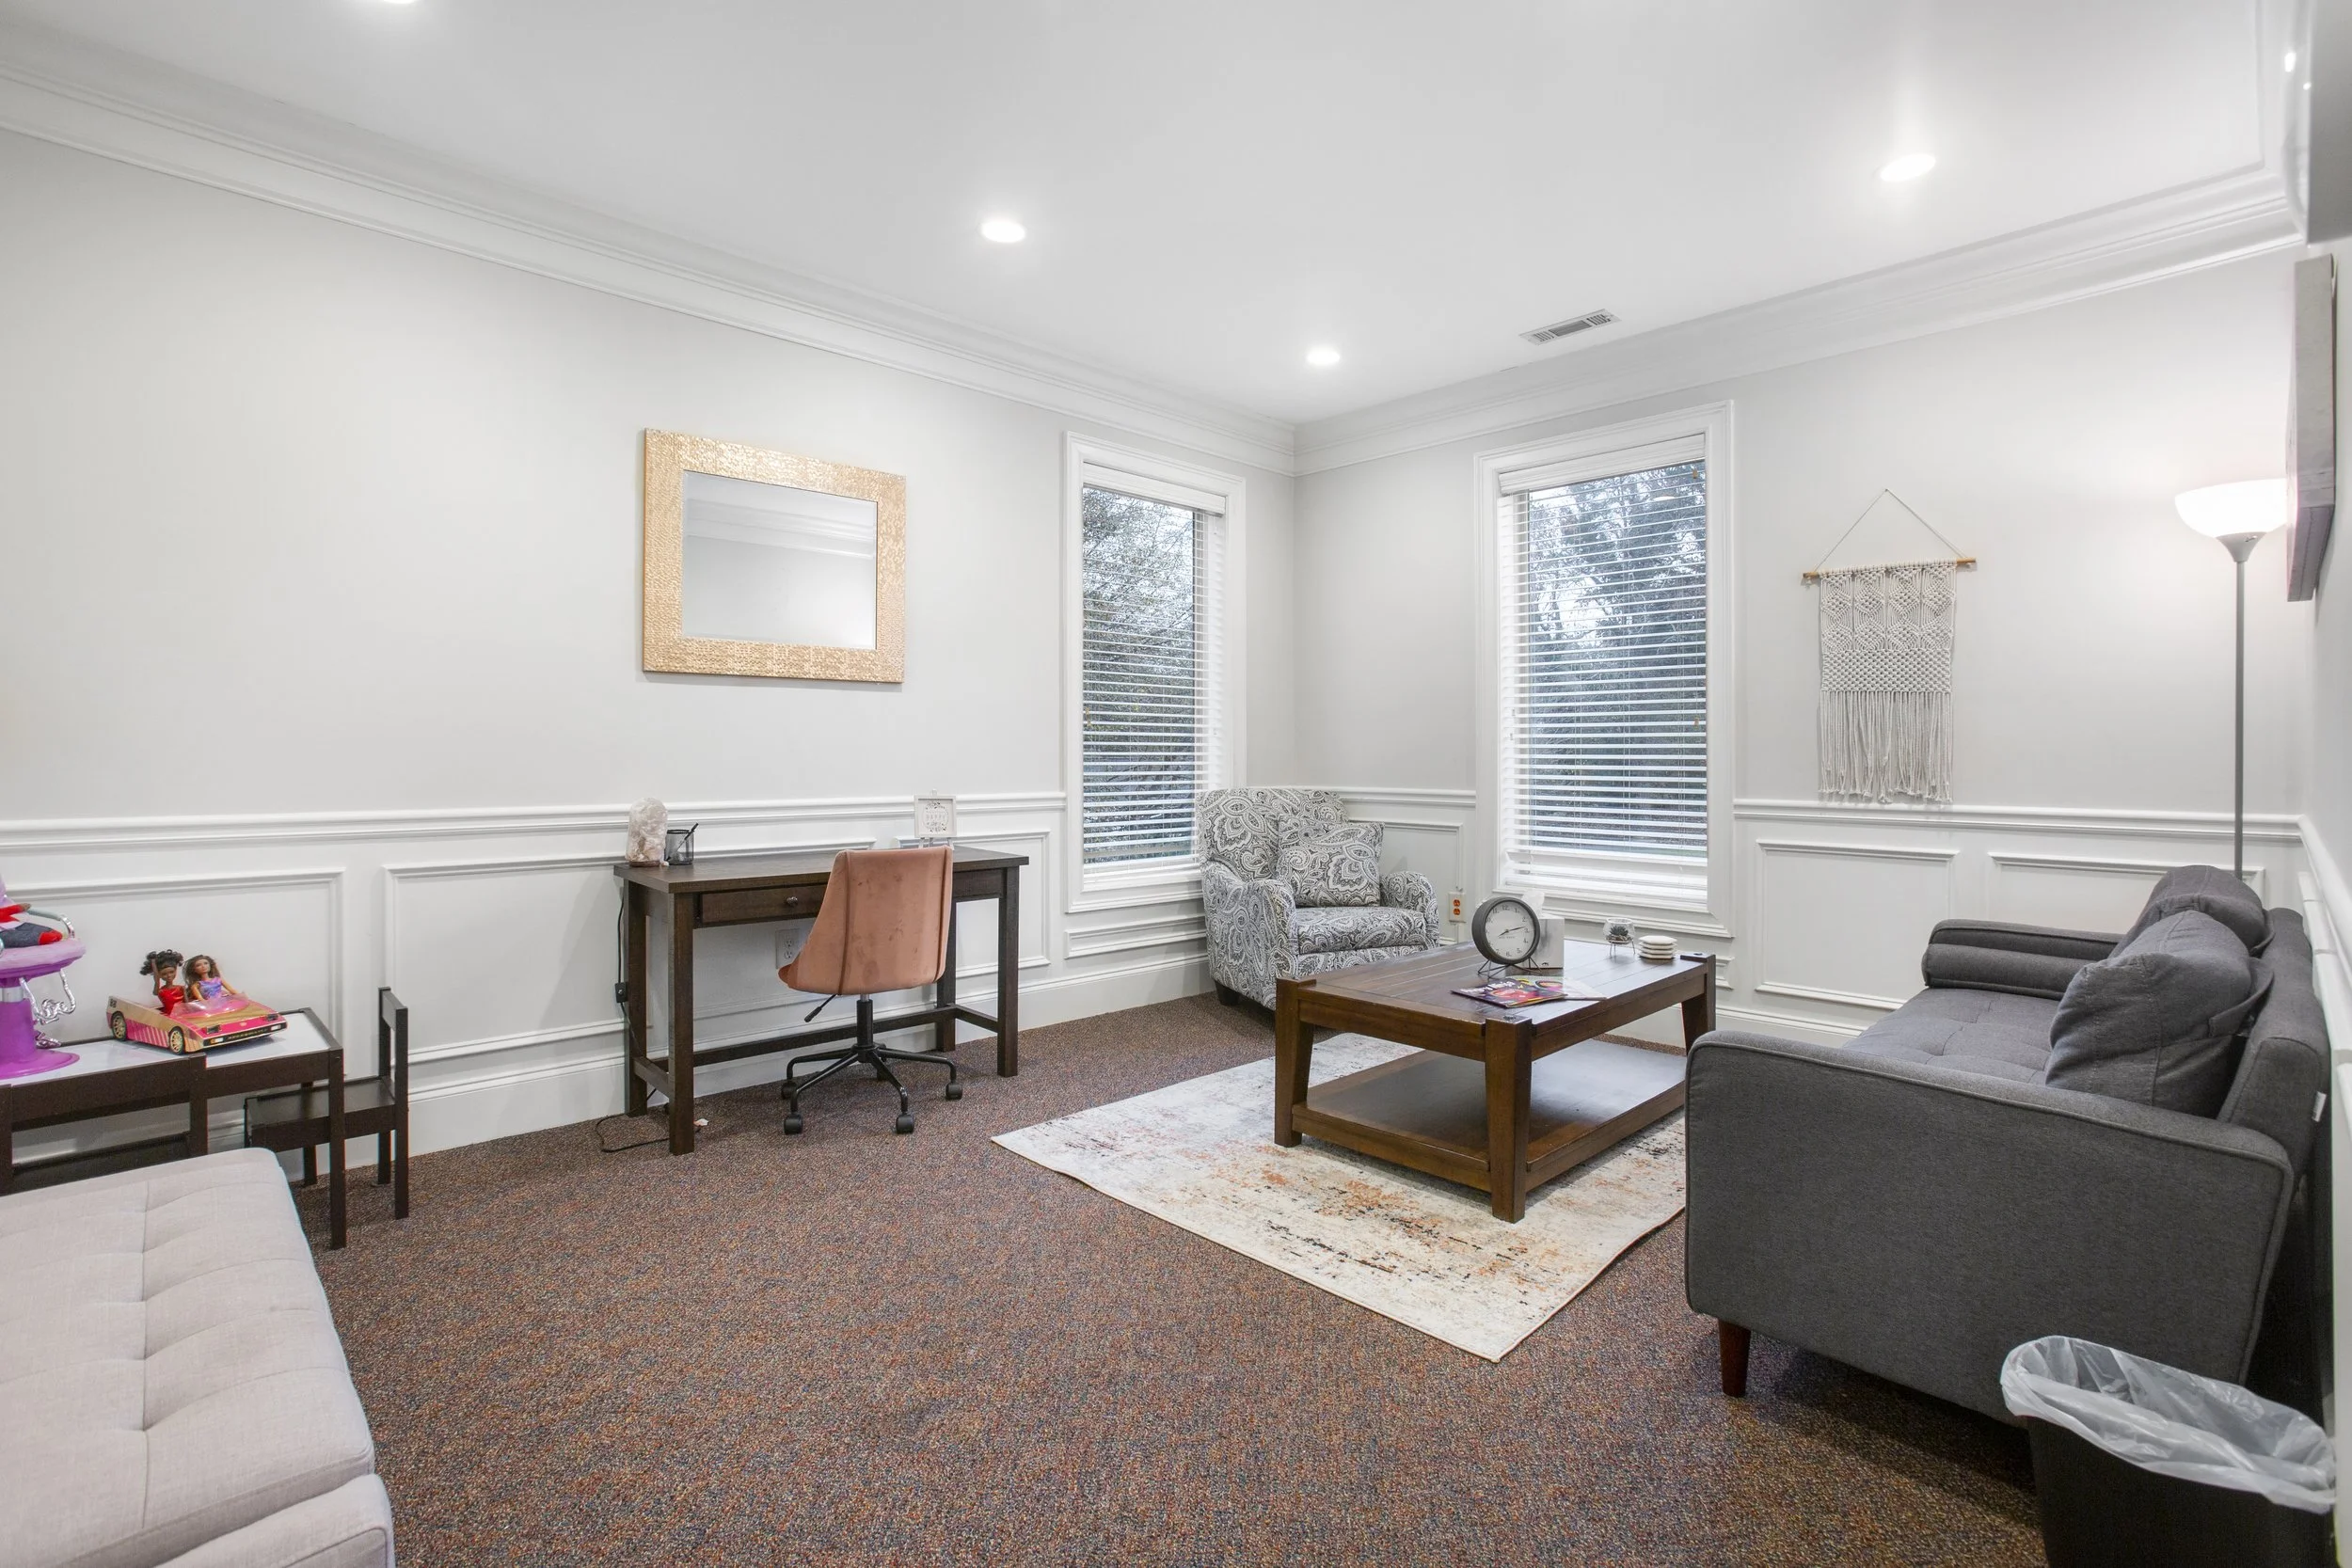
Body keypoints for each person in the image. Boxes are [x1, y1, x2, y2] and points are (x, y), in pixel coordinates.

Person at [139, 949, 185, 1013]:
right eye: (164, 974)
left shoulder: (181, 988)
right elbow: (157, 981)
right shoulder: (160, 991)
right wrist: (153, 963)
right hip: (169, 1015)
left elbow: (187, 1004)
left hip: (184, 1014)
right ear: (159, 975)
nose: (169, 975)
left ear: (176, 970)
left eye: (171, 972)